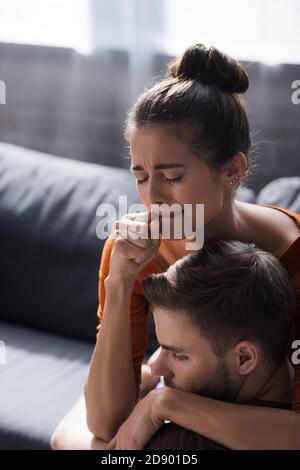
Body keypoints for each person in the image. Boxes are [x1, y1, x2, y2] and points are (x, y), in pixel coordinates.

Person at [51, 43, 300, 451]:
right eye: (141, 175)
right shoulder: (135, 249)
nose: (153, 198)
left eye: (172, 176)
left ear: (233, 170)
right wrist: (119, 283)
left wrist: (163, 403)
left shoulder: (292, 254)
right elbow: (107, 422)